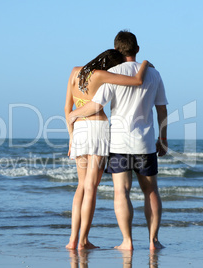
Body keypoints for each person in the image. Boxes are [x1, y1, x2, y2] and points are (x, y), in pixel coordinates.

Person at [68, 30, 168, 250]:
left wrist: (74, 115)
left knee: (121, 191)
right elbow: (161, 110)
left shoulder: (112, 73)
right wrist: (163, 139)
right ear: (137, 49)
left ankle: (127, 241)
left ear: (116, 50)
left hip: (119, 143)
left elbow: (96, 105)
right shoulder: (154, 74)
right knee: (151, 191)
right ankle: (153, 241)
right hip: (146, 143)